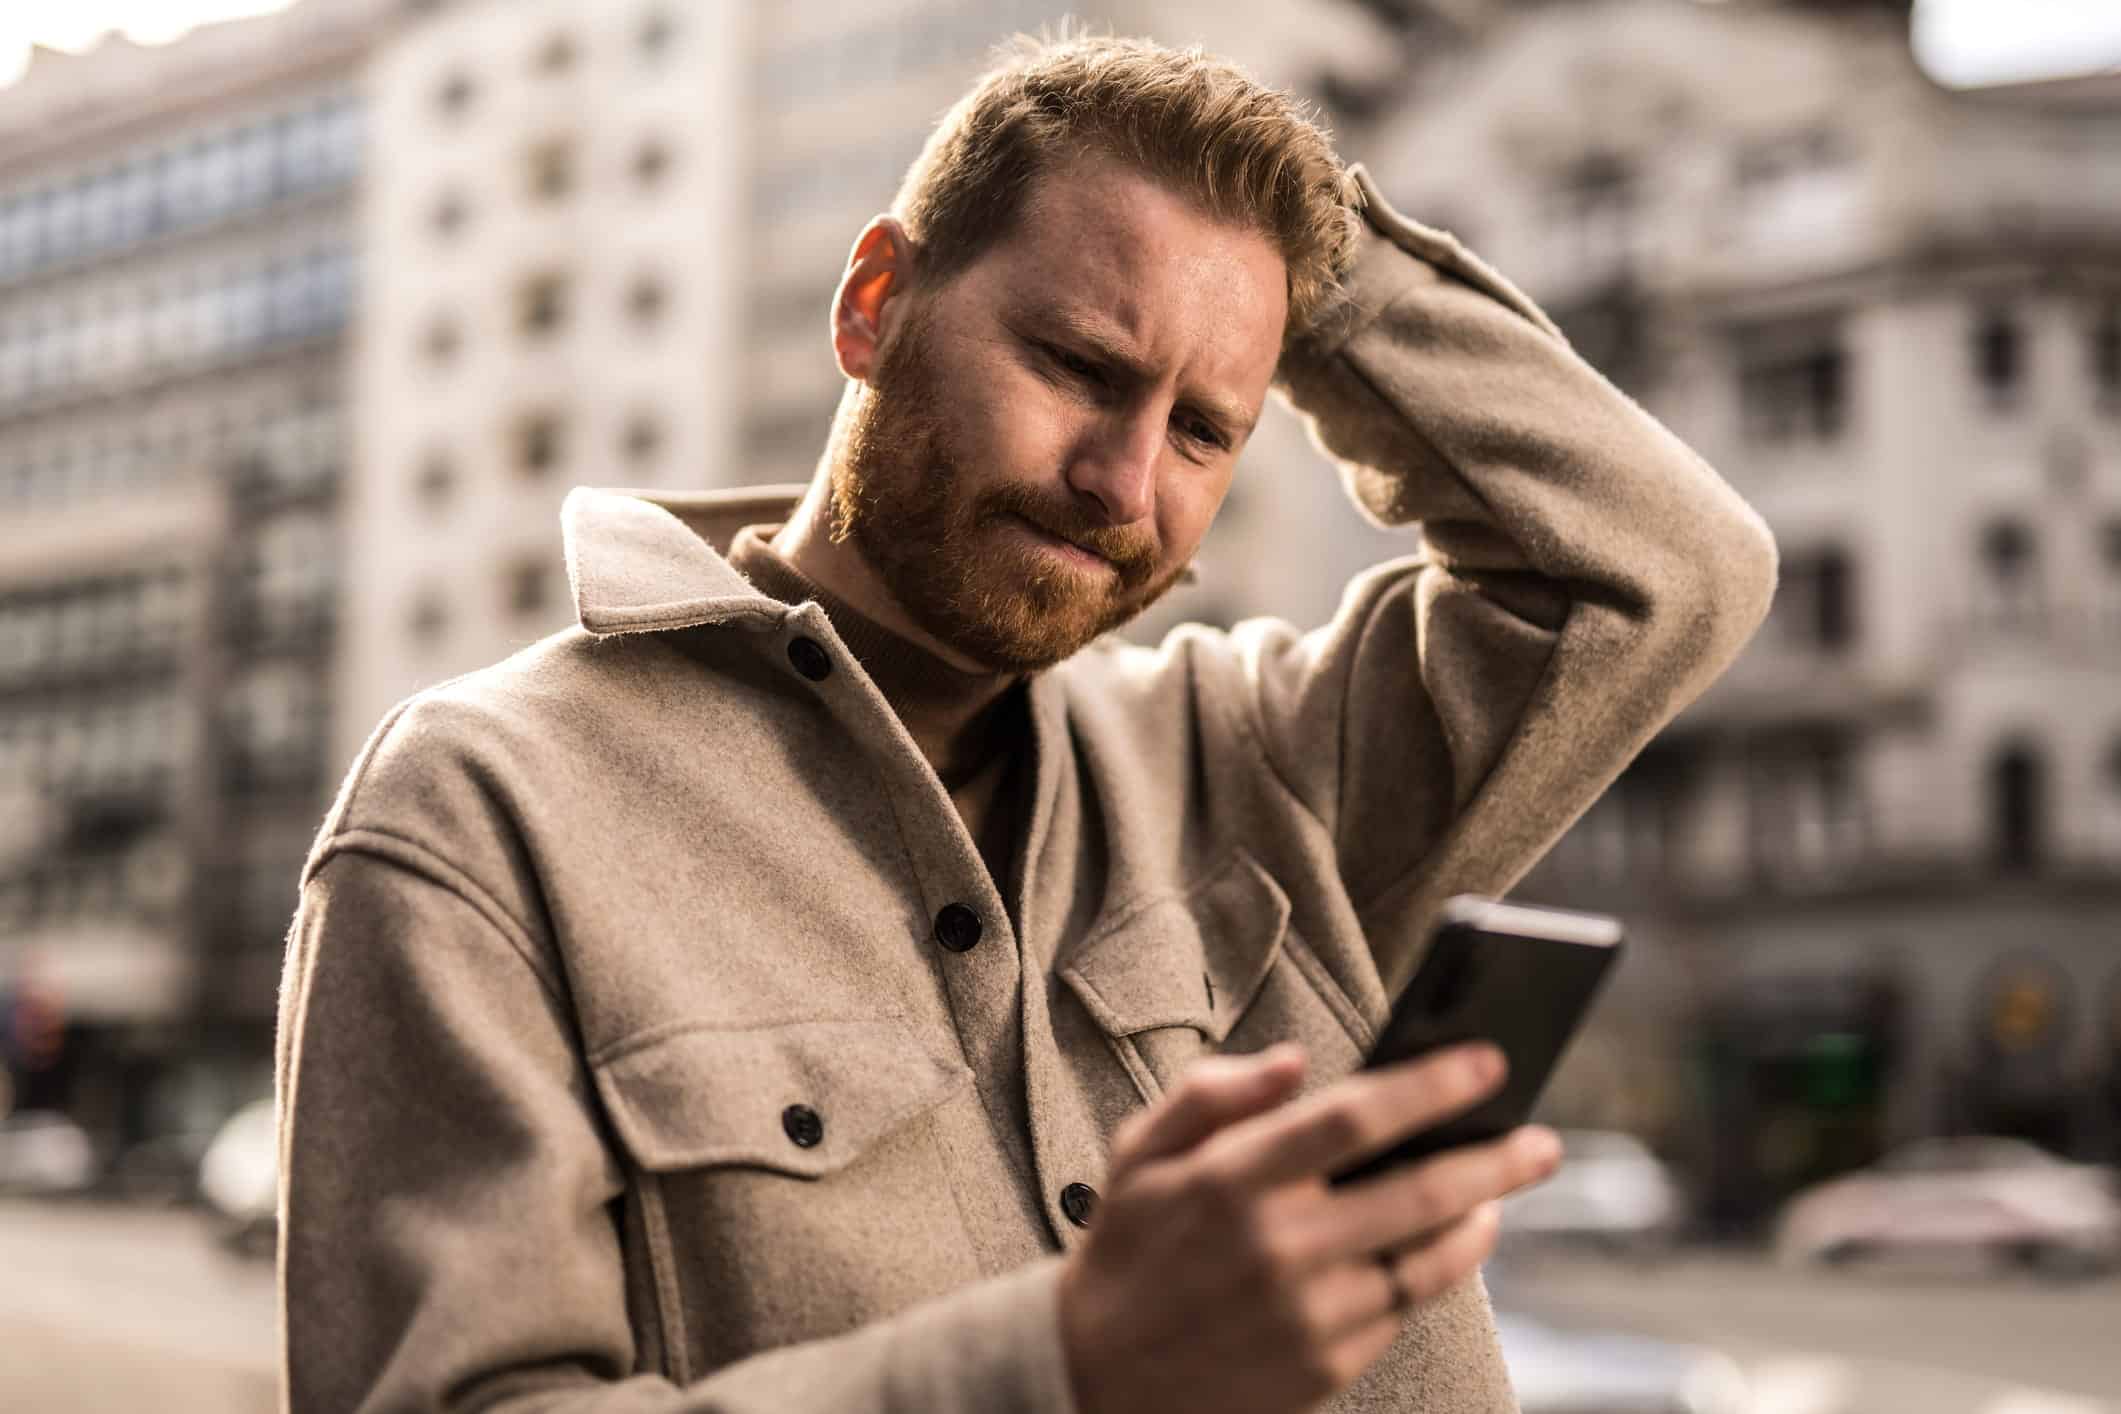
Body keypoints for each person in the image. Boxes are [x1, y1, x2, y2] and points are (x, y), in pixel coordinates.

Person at [275, 32, 1776, 1414]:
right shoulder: (480, 811)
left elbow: (1660, 568)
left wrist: (1316, 272)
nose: (1126, 486)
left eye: (1203, 429)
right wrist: (1059, 1363)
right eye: (1077, 367)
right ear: (874, 304)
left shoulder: (1258, 758)